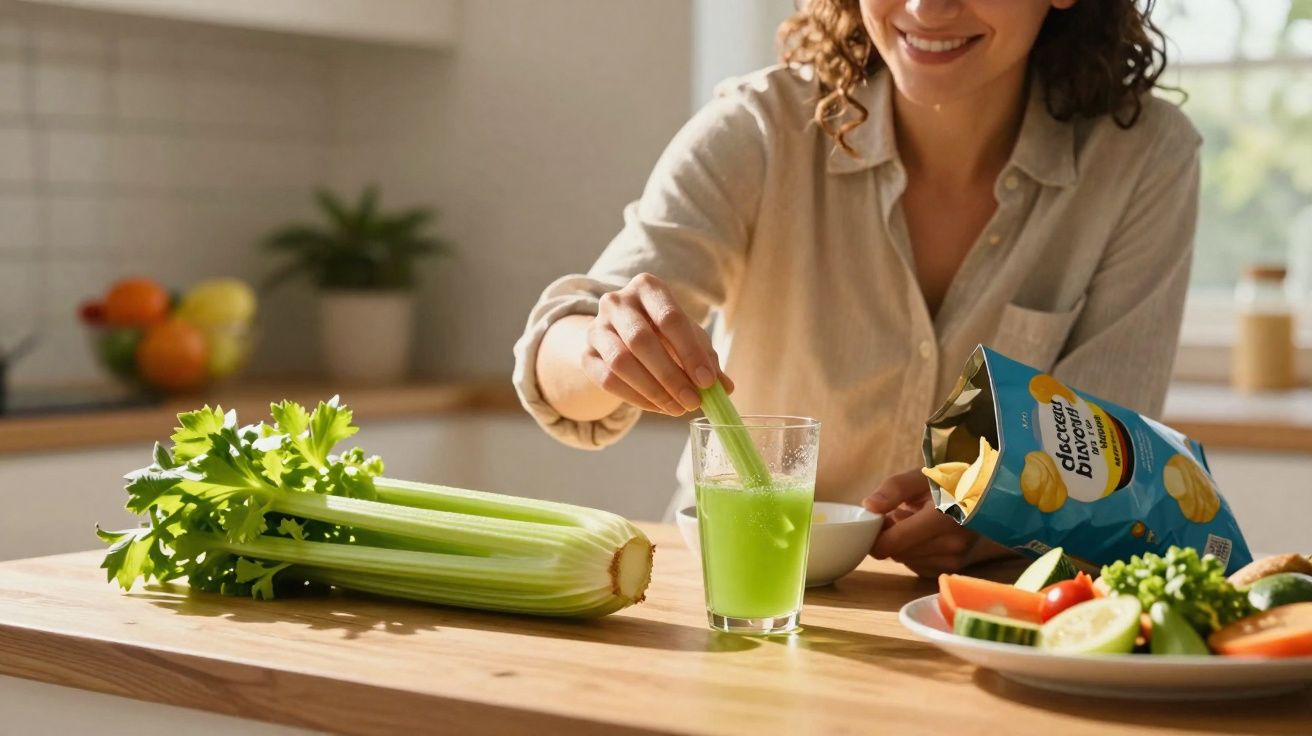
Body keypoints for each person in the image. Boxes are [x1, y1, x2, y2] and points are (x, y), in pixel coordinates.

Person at [512, 0, 1199, 577]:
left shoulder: (1144, 160)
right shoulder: (760, 128)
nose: (927, 7)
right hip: (742, 594)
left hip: (991, 622)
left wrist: (993, 519)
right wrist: (602, 348)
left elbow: (1110, 464)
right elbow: (557, 350)